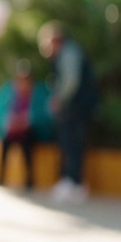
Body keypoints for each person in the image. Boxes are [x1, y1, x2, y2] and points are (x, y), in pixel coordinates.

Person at [38, 21, 99, 203]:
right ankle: (72, 182)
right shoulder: (67, 52)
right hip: (76, 107)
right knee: (71, 142)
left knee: (72, 143)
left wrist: (59, 99)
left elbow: (71, 81)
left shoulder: (69, 52)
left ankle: (74, 182)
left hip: (77, 107)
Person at [0, 60, 53, 189]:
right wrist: (7, 121)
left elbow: (48, 112)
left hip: (30, 131)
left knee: (26, 145)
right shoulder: (7, 91)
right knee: (5, 145)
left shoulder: (40, 92)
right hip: (10, 131)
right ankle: (1, 178)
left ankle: (29, 180)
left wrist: (28, 120)